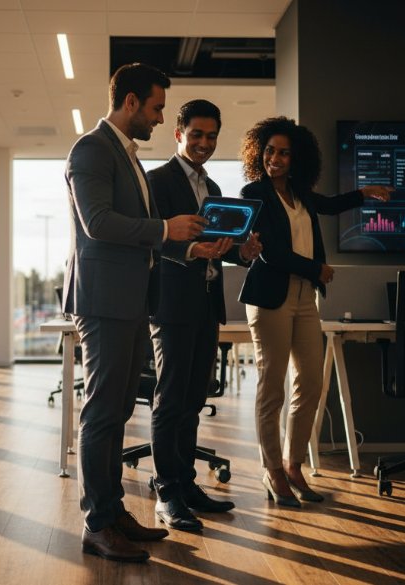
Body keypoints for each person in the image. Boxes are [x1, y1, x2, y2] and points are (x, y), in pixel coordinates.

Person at [62, 63, 206, 562]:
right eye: (156, 107)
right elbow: (99, 223)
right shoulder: (91, 150)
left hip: (129, 300)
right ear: (129, 102)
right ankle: (97, 523)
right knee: (102, 412)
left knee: (120, 409)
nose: (158, 116)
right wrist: (167, 229)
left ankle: (114, 511)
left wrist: (186, 247)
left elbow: (143, 232)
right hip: (102, 300)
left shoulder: (129, 159)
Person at [237, 116, 391, 507]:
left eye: (284, 153)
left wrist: (364, 193)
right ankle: (272, 470)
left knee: (311, 383)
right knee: (272, 387)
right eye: (269, 151)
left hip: (307, 298)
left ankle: (293, 464)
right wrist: (316, 269)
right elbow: (270, 251)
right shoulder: (253, 192)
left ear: (296, 158)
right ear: (260, 153)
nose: (275, 158)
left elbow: (330, 204)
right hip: (270, 297)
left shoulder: (300, 193)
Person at [146, 99, 262, 532]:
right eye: (196, 134)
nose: (204, 143)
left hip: (207, 302)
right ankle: (167, 492)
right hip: (172, 303)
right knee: (171, 398)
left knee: (195, 398)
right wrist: (191, 249)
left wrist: (244, 254)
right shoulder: (157, 182)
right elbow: (151, 238)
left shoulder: (214, 191)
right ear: (178, 133)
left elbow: (220, 249)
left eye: (211, 136)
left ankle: (187, 484)